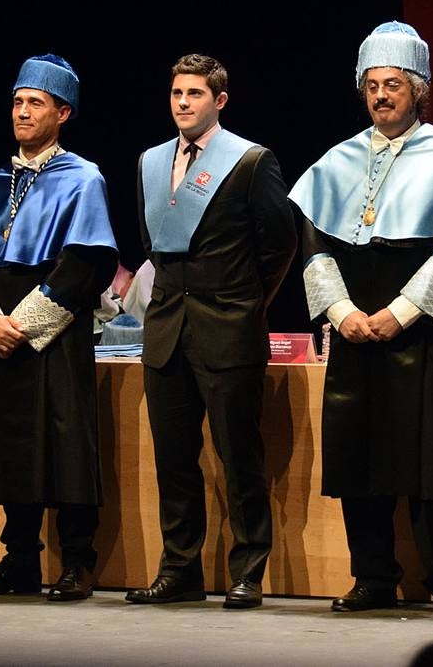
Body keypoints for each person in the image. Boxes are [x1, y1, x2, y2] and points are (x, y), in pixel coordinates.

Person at [288, 21, 433, 617]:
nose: (381, 96)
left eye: (394, 85)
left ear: (418, 90)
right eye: (373, 85)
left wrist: (399, 314)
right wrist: (343, 313)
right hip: (354, 329)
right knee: (358, 455)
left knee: (429, 459)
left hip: (418, 332)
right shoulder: (338, 159)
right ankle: (372, 575)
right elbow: (315, 244)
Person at [0, 54, 117, 603]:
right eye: (17, 101)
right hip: (0, 335)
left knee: (64, 443)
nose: (21, 111)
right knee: (13, 446)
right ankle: (19, 560)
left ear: (62, 112)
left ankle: (77, 563)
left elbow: (83, 267)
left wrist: (24, 324)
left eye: (34, 103)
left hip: (53, 337)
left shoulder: (83, 179)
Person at [126, 54, 296, 609]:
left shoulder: (249, 161)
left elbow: (279, 245)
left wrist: (245, 305)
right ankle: (180, 570)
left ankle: (248, 570)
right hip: (167, 328)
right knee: (174, 459)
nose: (182, 103)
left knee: (238, 456)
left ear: (218, 101)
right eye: (176, 92)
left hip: (227, 328)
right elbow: (153, 243)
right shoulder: (151, 161)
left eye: (194, 94)